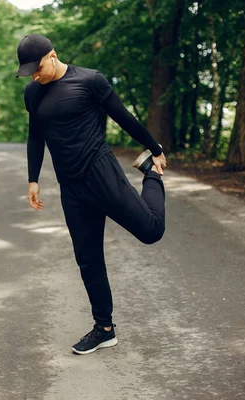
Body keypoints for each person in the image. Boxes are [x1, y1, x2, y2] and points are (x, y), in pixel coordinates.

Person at [16, 34, 168, 355]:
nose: (34, 75)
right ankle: (105, 328)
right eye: (29, 71)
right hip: (70, 185)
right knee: (88, 259)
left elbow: (124, 118)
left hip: (101, 174)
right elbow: (35, 137)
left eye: (38, 67)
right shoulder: (33, 93)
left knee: (151, 231)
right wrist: (33, 180)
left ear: (53, 55)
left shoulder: (90, 81)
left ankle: (151, 177)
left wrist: (154, 150)